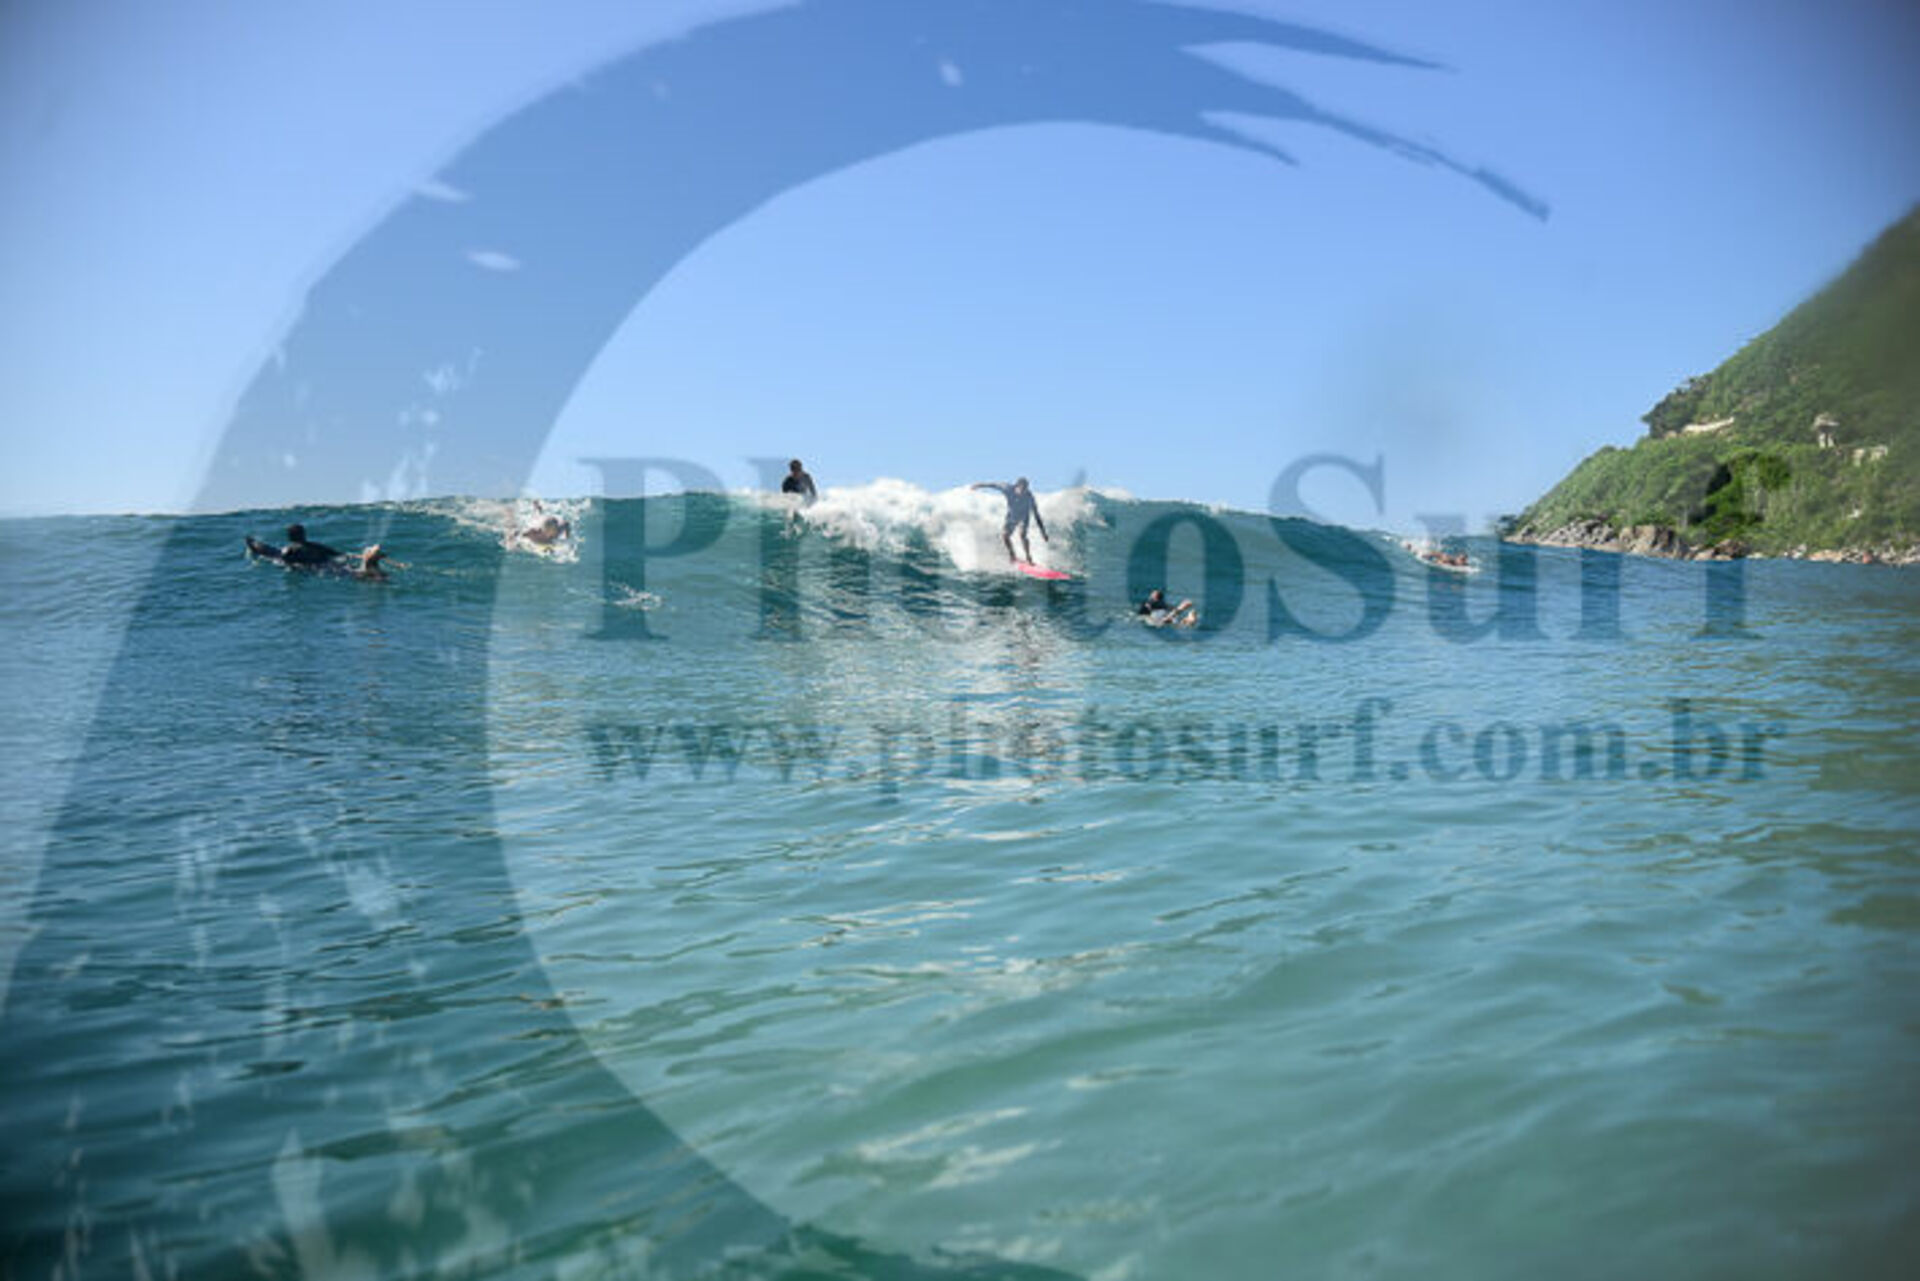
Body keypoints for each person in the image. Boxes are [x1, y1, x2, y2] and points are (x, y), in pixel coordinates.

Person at [972, 476, 1048, 564]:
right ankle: (1012, 555)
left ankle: (1028, 557)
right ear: (1017, 486)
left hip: (1023, 517)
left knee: (1022, 535)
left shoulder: (1029, 497)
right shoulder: (1007, 488)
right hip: (1012, 516)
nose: (1024, 492)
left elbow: (1036, 515)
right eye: (1022, 489)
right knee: (1005, 535)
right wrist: (980, 485)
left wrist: (1043, 532)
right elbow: (994, 485)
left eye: (1025, 489)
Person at [278, 523, 344, 567]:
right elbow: (337, 554)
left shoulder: (290, 550)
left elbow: (284, 561)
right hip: (325, 562)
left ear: (290, 537)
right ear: (303, 534)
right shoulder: (316, 546)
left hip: (312, 567)